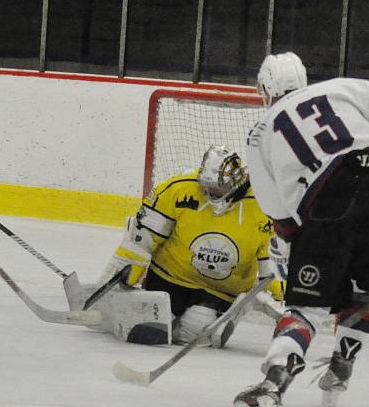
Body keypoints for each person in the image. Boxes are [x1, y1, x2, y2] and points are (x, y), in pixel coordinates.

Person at [232, 52, 369, 407]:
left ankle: (276, 379)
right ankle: (341, 366)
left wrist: (291, 249)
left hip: (327, 204)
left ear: (265, 88)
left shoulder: (260, 133)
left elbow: (281, 217)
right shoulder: (344, 88)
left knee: (307, 306)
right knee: (365, 289)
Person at [100, 144, 285, 346]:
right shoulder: (178, 188)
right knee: (149, 326)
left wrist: (283, 302)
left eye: (218, 189)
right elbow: (141, 239)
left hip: (219, 290)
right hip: (168, 276)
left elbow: (275, 263)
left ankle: (209, 324)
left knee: (196, 328)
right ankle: (162, 318)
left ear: (236, 182)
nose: (211, 194)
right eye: (207, 187)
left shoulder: (263, 205)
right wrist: (116, 281)